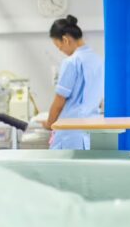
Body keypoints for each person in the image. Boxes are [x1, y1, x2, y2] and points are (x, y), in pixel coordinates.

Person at [42, 15, 105, 149]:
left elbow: (59, 101)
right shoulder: (98, 60)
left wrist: (49, 123)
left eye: (59, 47)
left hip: (71, 132)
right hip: (93, 129)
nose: (62, 51)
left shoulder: (71, 62)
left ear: (65, 40)